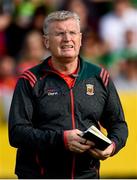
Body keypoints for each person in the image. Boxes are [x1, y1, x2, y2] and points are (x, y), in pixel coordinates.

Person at [8, 10, 128, 179]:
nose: (67, 39)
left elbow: (119, 125)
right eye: (59, 33)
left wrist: (112, 146)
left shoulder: (99, 77)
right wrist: (61, 140)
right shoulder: (30, 80)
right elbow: (17, 134)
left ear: (80, 39)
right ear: (46, 42)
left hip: (87, 176)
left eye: (72, 32)